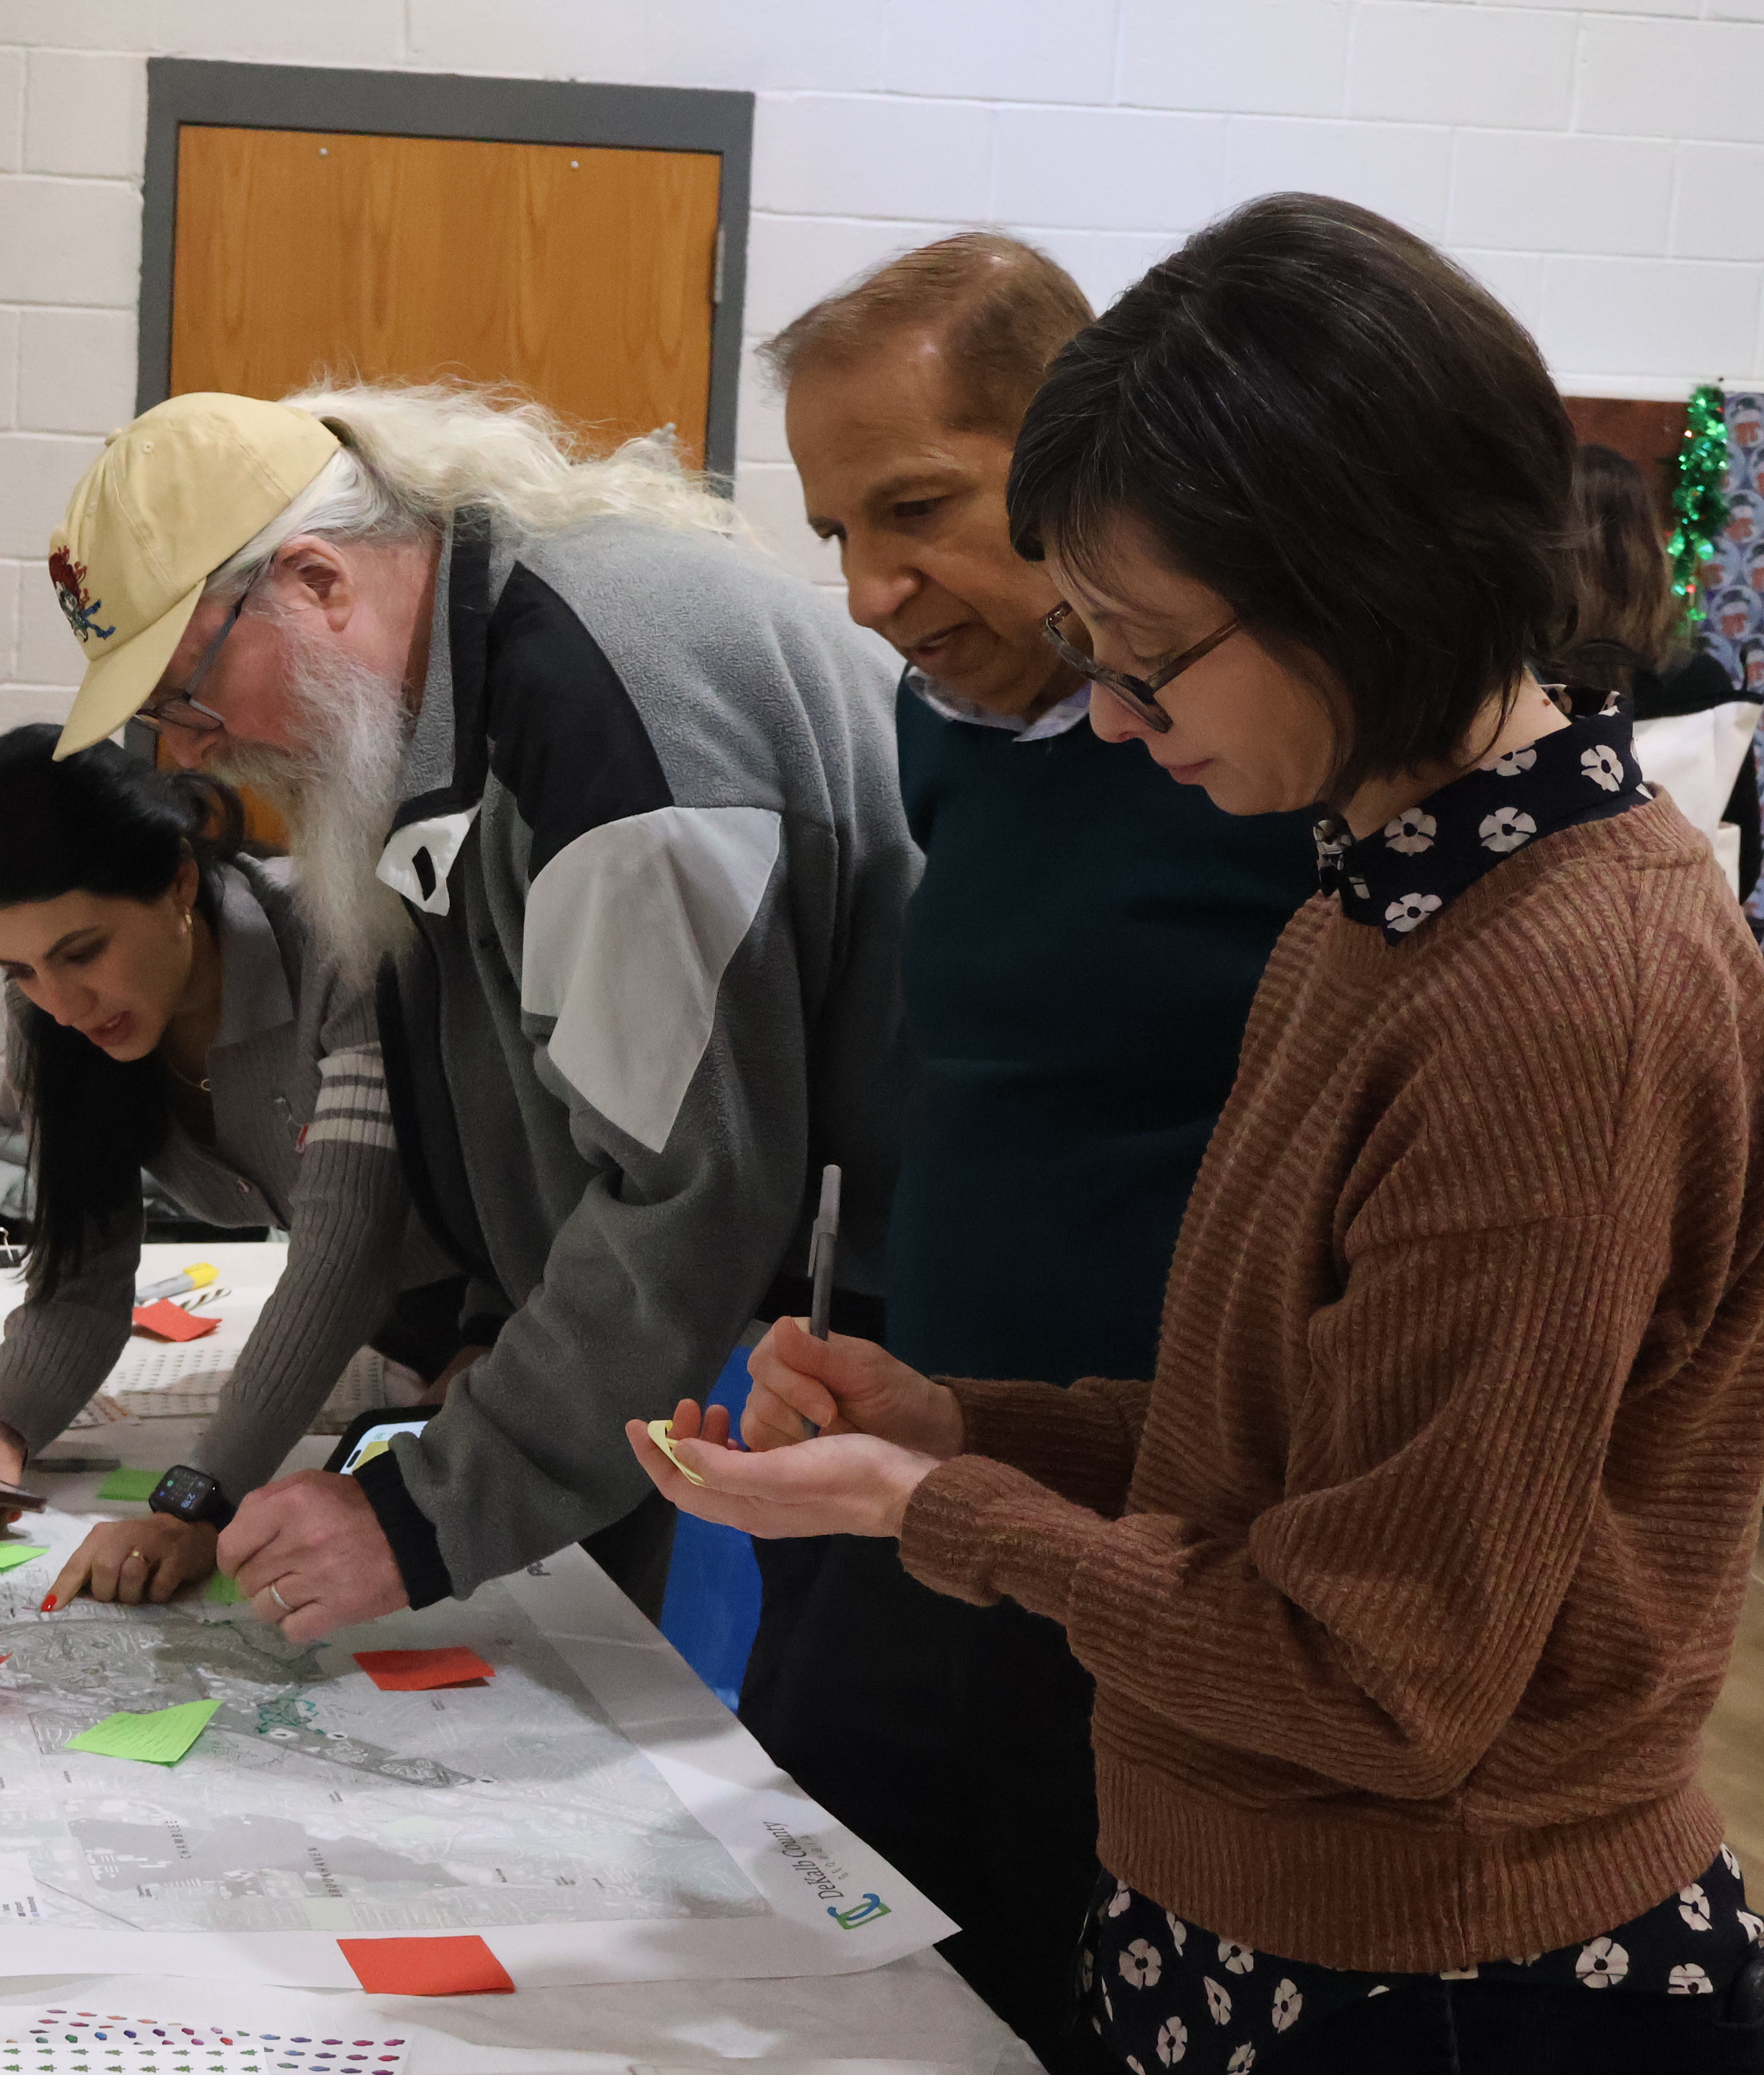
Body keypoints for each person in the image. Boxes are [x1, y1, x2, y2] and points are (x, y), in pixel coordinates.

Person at [632, 193, 1764, 2072]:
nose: (1107, 709)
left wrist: (938, 1505)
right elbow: (1271, 1440)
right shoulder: (1371, 891)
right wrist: (966, 1418)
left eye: (1147, 656)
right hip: (1247, 1908)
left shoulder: (1563, 988)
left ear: (1357, 579)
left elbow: (1373, 1666)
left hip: (1444, 1977)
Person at [34, 385, 917, 1639]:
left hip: (932, 1328)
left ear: (315, 583)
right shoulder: (454, 705)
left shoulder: (603, 720)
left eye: (186, 694)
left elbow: (685, 1199)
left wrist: (418, 1515)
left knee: (867, 1755)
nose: (187, 754)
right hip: (834, 1316)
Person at [744, 233, 1317, 2070]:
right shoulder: (957, 728)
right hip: (959, 1447)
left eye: (915, 509)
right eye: (835, 530)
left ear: (1088, 472)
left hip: (1162, 1534)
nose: (868, 591)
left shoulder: (1262, 764)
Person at [0, 726, 432, 1606]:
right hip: (401, 1352)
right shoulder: (57, 1026)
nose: (62, 1004)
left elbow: (342, 1256)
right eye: (19, 969)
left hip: (529, 1312)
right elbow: (81, 1279)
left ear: (180, 880)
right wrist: (4, 1423)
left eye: (82, 953)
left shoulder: (340, 943)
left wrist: (197, 1501)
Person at [1570, 441, 1761, 902]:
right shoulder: (1700, 680)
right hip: (1679, 935)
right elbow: (1742, 861)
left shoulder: (1518, 686)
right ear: (1650, 549)